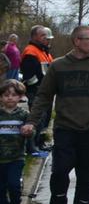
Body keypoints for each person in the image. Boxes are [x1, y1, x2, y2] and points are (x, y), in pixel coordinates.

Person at [22, 24, 89, 204]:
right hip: (65, 129)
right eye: (88, 39)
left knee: (86, 178)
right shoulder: (59, 66)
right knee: (59, 174)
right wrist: (32, 122)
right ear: (76, 41)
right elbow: (44, 96)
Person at [19, 26, 54, 155]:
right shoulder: (31, 52)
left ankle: (40, 142)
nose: (46, 38)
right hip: (37, 91)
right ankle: (32, 146)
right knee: (38, 117)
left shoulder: (43, 51)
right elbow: (29, 75)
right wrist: (37, 88)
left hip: (45, 90)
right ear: (34, 37)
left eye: (47, 36)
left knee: (45, 117)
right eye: (42, 36)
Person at [0, 79, 29, 204]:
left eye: (13, 95)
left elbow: (31, 131)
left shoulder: (23, 115)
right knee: (1, 189)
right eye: (6, 95)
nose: (9, 98)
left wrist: (29, 131)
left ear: (20, 97)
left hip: (16, 157)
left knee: (13, 185)